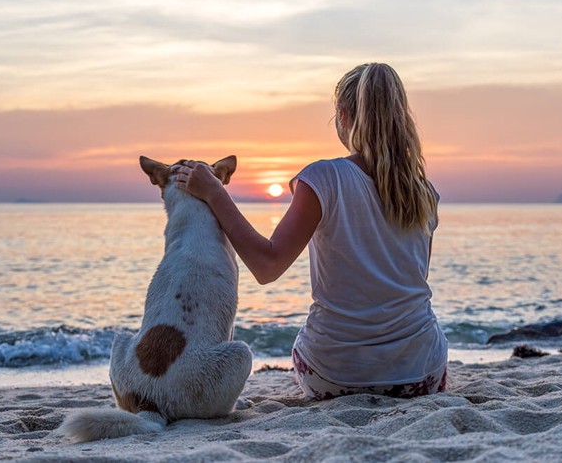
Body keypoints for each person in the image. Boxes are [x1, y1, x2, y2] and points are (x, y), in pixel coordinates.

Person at [175, 63, 448, 400]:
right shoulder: (424, 192)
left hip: (336, 374)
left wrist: (215, 193)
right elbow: (407, 284)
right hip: (422, 373)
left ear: (344, 116)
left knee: (311, 345)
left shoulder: (324, 178)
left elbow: (267, 265)